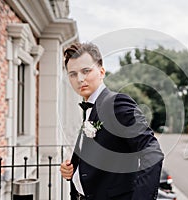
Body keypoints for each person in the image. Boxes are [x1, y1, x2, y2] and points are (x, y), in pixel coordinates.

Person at [60, 42, 164, 200]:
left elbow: (152, 151)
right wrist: (73, 171)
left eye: (86, 71)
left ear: (101, 72)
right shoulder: (89, 109)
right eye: (73, 74)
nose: (79, 79)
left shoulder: (117, 104)